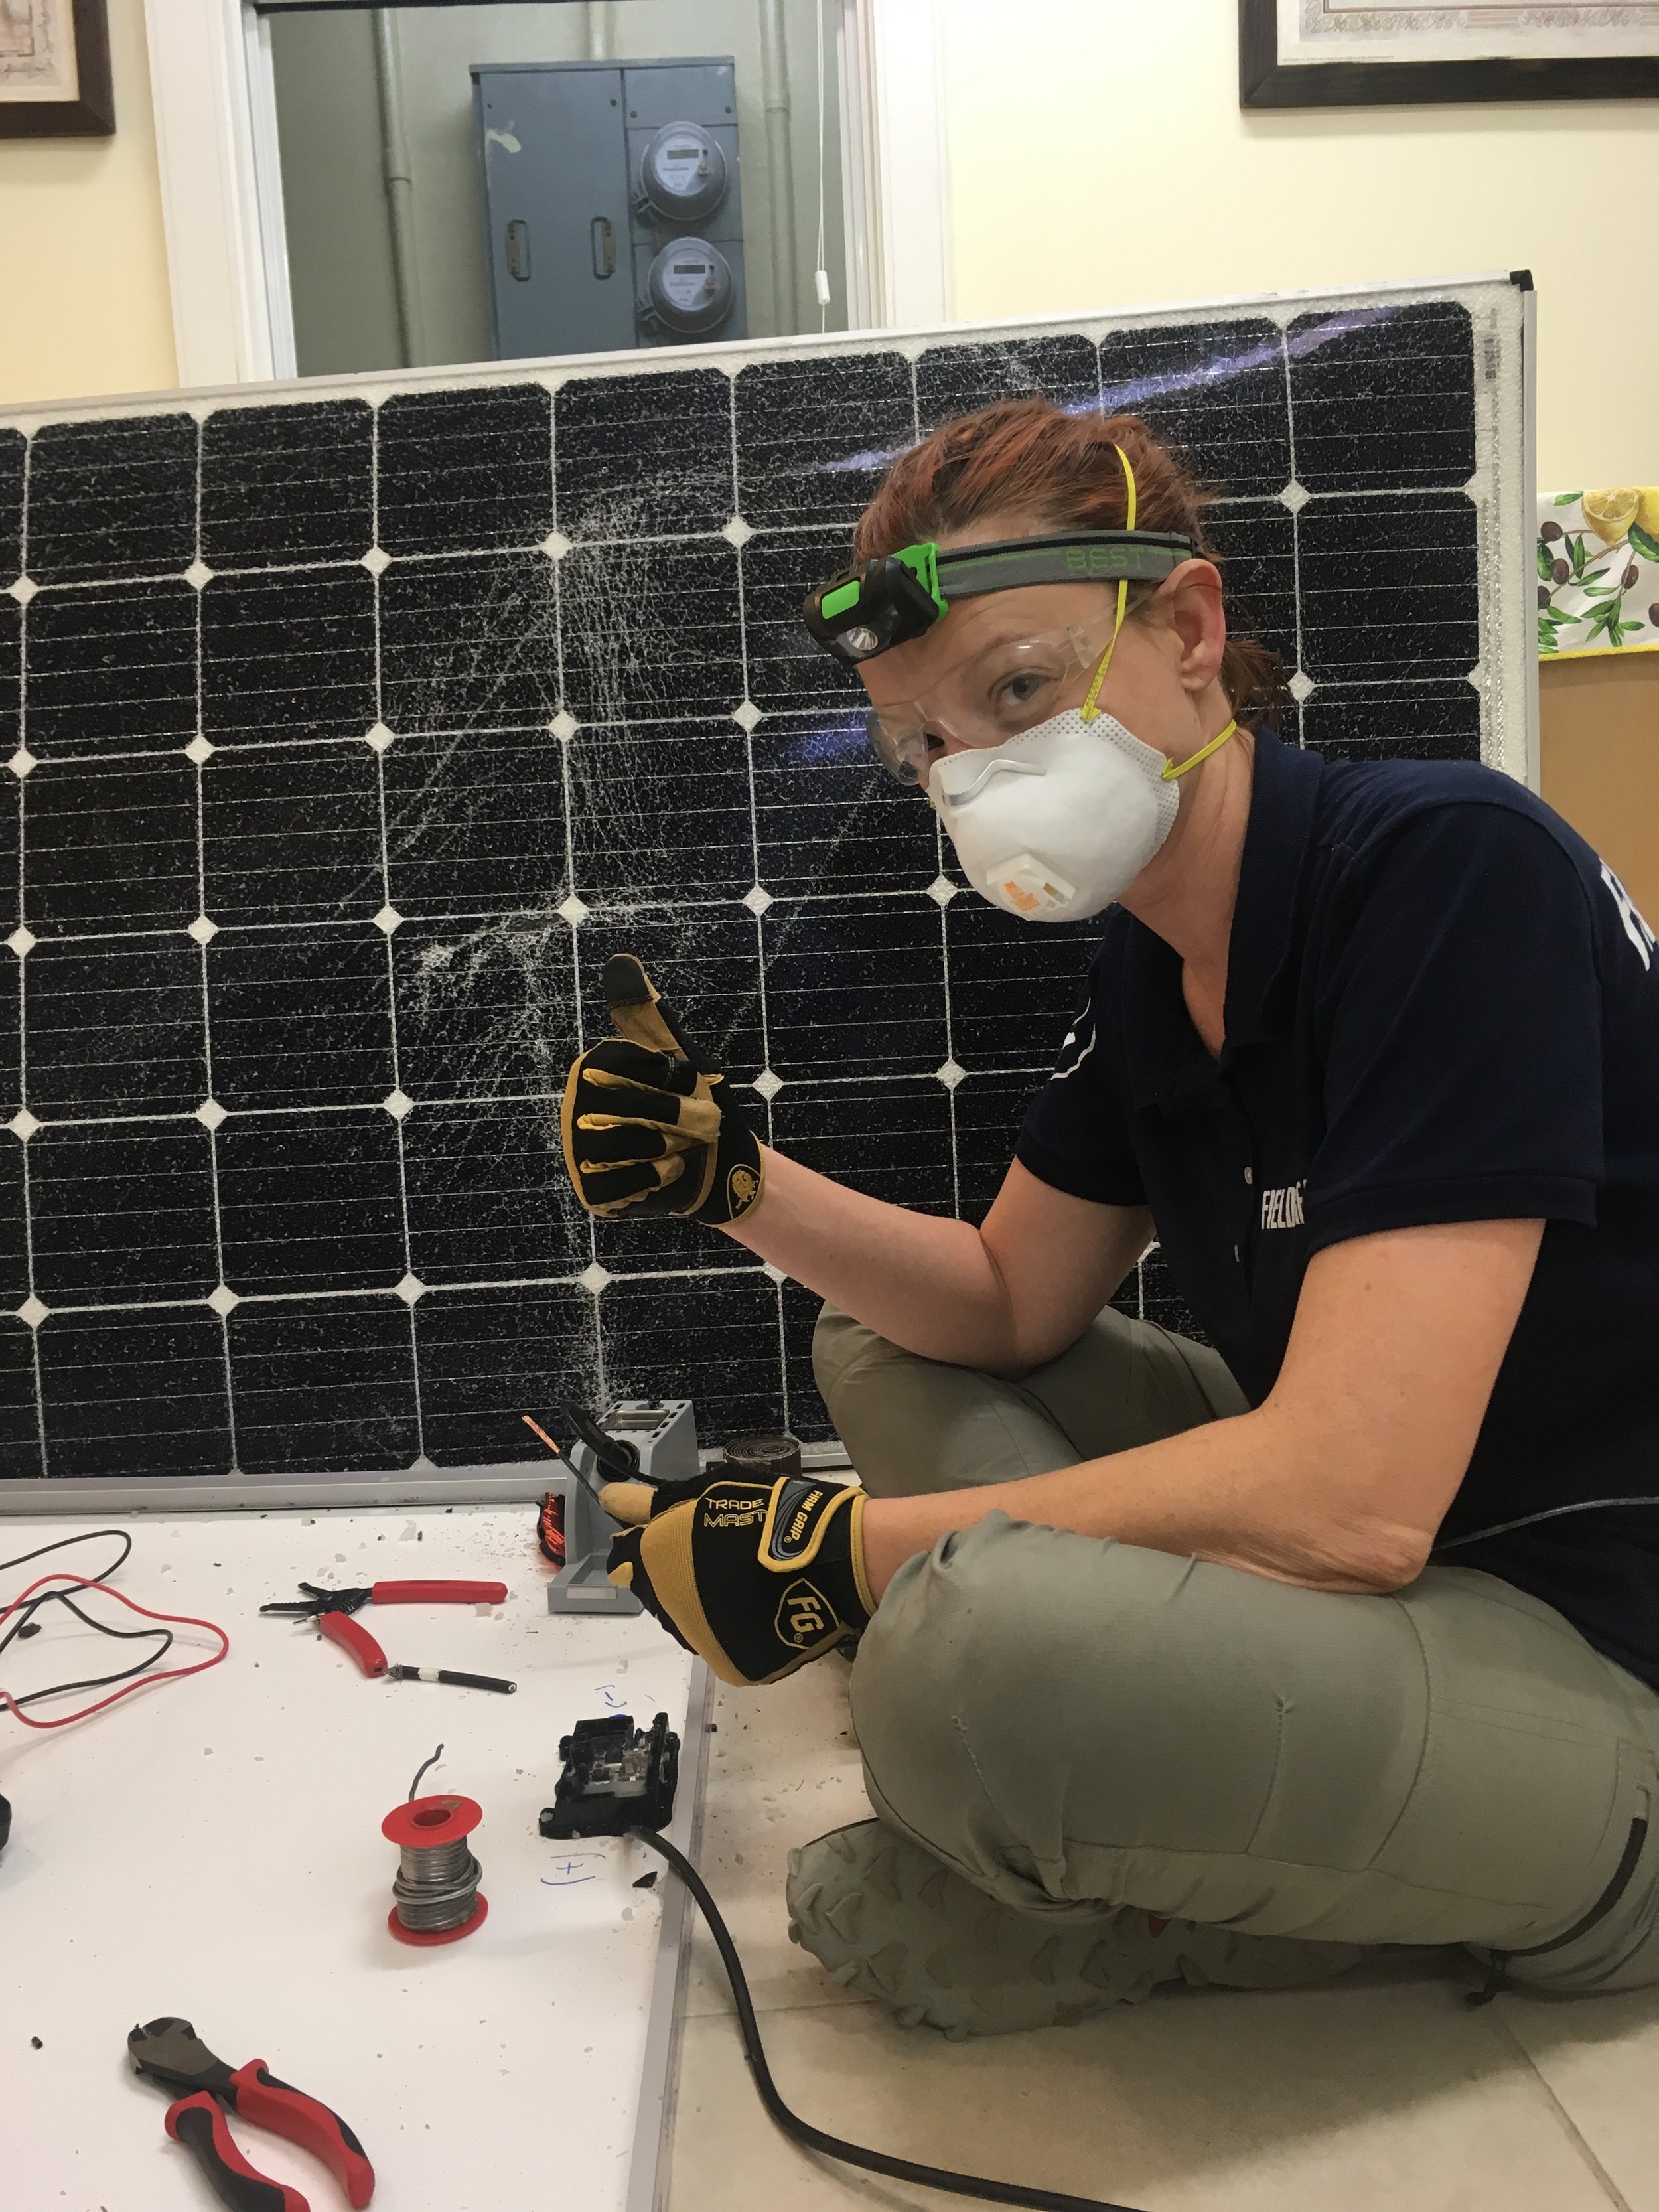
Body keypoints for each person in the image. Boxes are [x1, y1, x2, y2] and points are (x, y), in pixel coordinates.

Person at [559, 399, 1659, 2036]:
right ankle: (1164, 1775)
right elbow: (1006, 1301)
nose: (973, 774)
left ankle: (1214, 1845)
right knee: (873, 1339)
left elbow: (1353, 1498)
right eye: (924, 744)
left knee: (964, 1663)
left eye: (1014, 690)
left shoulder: (1446, 866)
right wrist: (730, 1184)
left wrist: (845, 1561)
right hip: (1397, 1534)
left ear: (1191, 630)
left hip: (1593, 1624)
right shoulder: (1153, 961)